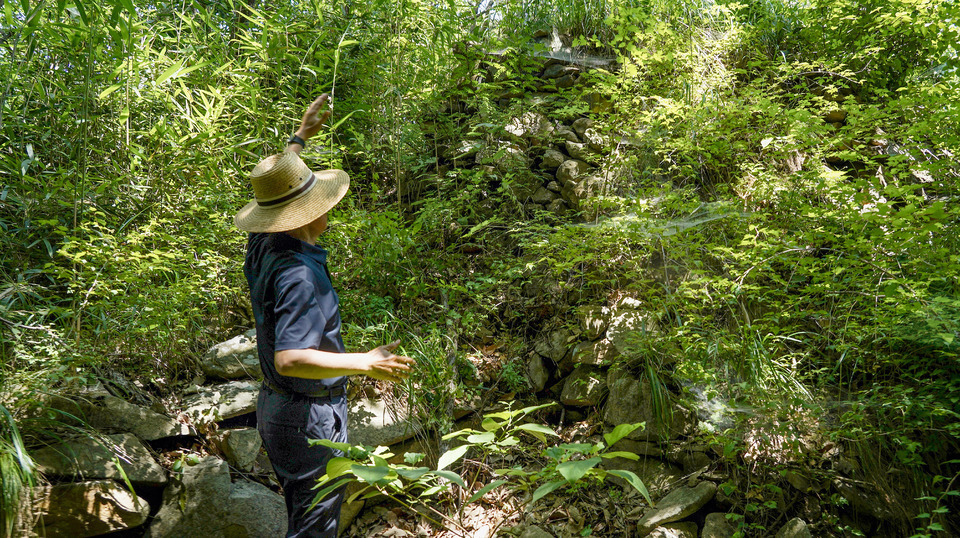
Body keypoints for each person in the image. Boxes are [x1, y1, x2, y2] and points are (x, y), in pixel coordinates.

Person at [234, 94, 416, 537]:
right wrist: (365, 362)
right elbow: (290, 357)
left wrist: (299, 138)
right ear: (313, 209)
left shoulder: (264, 241)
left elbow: (278, 187)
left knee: (305, 519)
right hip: (305, 416)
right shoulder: (299, 274)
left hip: (279, 408)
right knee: (314, 530)